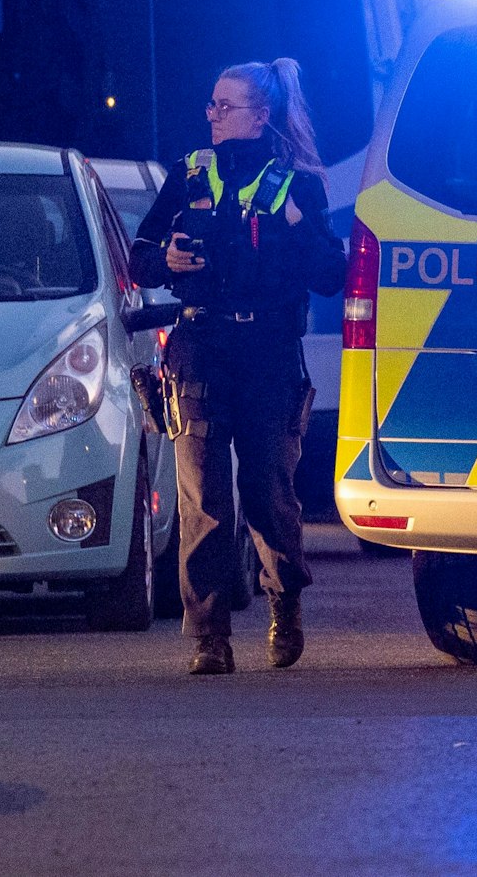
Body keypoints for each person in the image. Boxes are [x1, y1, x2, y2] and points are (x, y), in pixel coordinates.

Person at [131, 58, 346, 675]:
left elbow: (331, 275)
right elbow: (141, 255)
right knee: (203, 493)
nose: (214, 117)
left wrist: (299, 229)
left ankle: (285, 601)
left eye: (226, 107)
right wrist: (167, 259)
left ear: (261, 116)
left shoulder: (297, 183)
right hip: (200, 345)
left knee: (266, 489)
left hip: (270, 352)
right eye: (211, 106)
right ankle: (209, 636)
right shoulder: (190, 173)